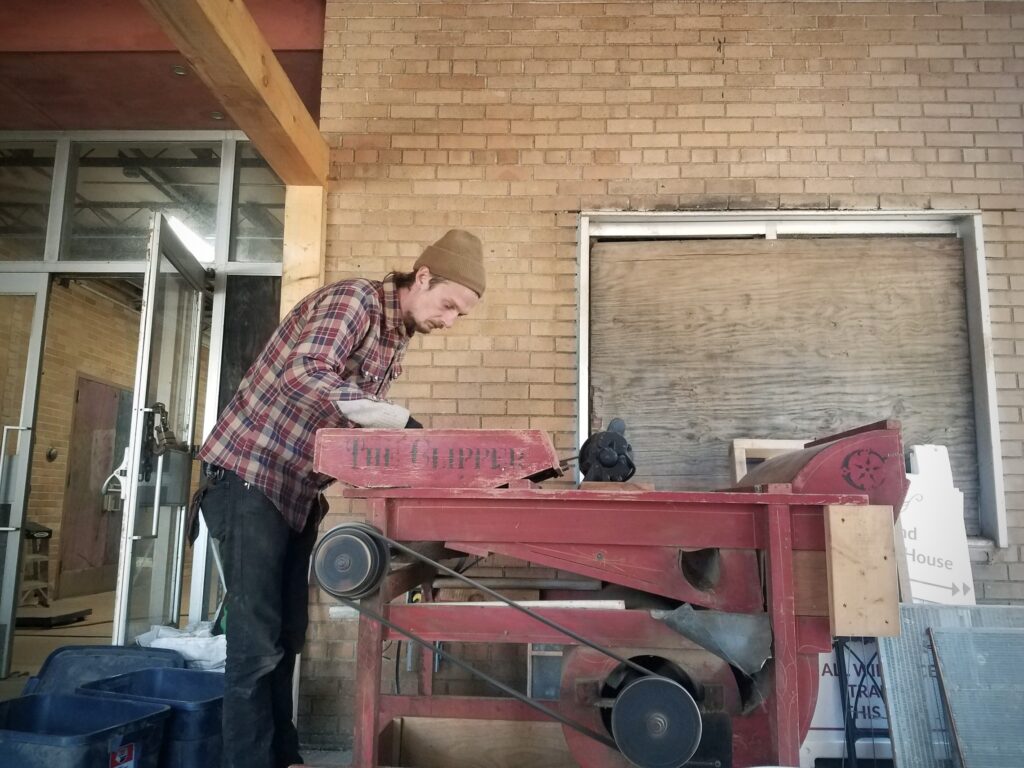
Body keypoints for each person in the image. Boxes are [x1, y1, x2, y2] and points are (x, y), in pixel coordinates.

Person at [192, 229, 485, 768]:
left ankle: (286, 758)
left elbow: (348, 422)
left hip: (297, 491)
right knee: (255, 650)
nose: (448, 321)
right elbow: (305, 374)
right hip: (248, 475)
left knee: (287, 639)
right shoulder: (355, 301)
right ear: (421, 278)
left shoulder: (394, 340)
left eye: (459, 316)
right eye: (447, 305)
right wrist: (398, 422)